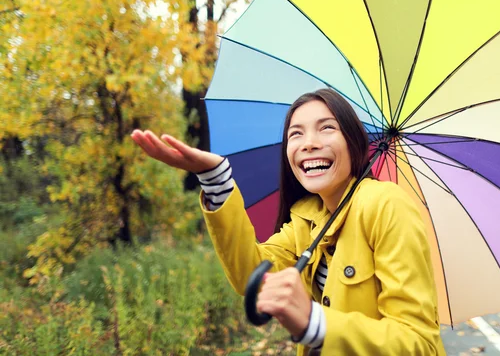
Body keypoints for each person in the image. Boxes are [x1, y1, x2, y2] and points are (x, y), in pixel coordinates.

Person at [131, 88, 446, 355]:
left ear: (353, 142)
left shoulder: (386, 205)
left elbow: (419, 342)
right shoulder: (306, 218)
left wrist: (315, 322)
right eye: (296, 133)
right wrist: (215, 179)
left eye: (326, 128)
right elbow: (251, 275)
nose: (308, 143)